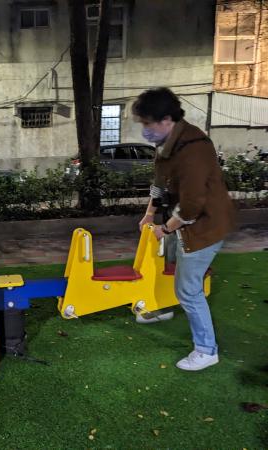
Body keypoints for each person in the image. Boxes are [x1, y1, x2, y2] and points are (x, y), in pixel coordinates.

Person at [132, 87, 235, 371]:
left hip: (204, 227)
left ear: (166, 119)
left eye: (146, 123)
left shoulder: (194, 148)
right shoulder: (166, 144)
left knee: (188, 290)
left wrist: (164, 229)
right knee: (169, 269)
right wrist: (148, 214)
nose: (144, 130)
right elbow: (159, 182)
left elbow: (192, 206)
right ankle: (159, 309)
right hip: (183, 222)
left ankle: (206, 350)